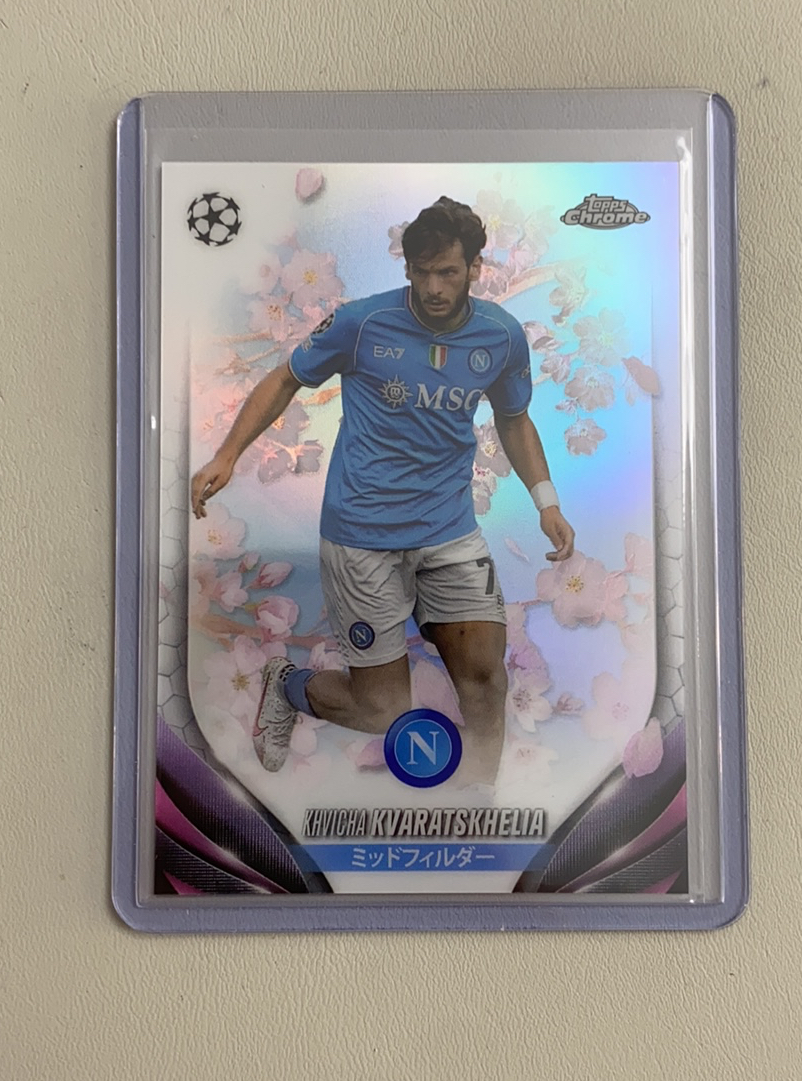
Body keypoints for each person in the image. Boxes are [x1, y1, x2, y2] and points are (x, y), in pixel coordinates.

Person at [191, 197, 574, 786]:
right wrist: (227, 454)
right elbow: (287, 378)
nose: (433, 287)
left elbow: (514, 419)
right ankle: (287, 685)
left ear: (475, 267)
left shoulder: (500, 335)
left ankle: (475, 809)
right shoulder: (361, 323)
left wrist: (546, 502)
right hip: (361, 538)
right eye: (421, 272)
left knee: (486, 684)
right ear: (407, 268)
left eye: (447, 272)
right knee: (384, 711)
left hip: (449, 534)